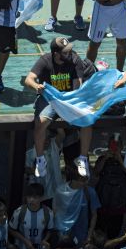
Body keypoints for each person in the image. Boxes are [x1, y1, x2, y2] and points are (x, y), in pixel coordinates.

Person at [25, 37, 96, 178]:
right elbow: (29, 79)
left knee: (87, 121)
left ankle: (82, 158)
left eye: (69, 50)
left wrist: (70, 104)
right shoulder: (45, 60)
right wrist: (36, 86)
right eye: (65, 52)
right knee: (40, 124)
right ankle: (40, 159)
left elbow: (78, 86)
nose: (69, 53)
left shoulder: (75, 60)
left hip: (69, 99)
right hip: (50, 99)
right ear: (56, 53)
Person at [92, 135, 126, 240]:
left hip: (118, 201)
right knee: (99, 231)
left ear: (122, 146)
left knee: (114, 231)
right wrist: (105, 158)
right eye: (112, 144)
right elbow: (96, 172)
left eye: (117, 145)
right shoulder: (102, 158)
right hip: (103, 200)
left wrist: (120, 160)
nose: (115, 147)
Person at [9, 183, 55, 249]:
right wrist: (25, 241)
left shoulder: (48, 213)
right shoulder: (19, 212)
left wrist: (44, 240)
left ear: (41, 198)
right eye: (29, 197)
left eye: (35, 197)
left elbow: (50, 230)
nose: (31, 200)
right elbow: (11, 229)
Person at [54, 171, 100, 245]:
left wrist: (89, 235)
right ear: (74, 179)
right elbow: (56, 212)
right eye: (82, 180)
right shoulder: (61, 191)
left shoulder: (89, 192)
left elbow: (94, 215)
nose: (85, 183)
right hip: (64, 234)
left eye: (86, 180)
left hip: (82, 234)